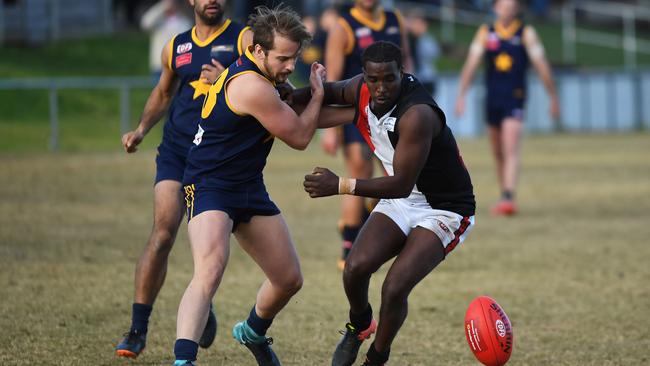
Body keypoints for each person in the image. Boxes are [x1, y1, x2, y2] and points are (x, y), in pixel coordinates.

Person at [298, 41, 476, 366]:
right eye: (373, 80)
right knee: (355, 268)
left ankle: (376, 358)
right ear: (364, 75)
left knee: (394, 287)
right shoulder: (361, 88)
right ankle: (361, 323)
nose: (380, 88)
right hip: (404, 198)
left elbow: (400, 183)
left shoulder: (417, 114)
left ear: (403, 72)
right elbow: (320, 93)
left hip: (445, 208)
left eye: (389, 79)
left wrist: (339, 184)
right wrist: (273, 94)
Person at [173, 6, 324, 366]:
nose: (290, 66)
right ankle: (183, 361)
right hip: (208, 183)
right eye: (283, 58)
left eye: (295, 58)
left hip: (247, 186)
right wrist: (318, 93)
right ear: (258, 51)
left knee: (288, 278)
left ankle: (252, 331)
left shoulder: (263, 78)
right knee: (210, 268)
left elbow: (294, 113)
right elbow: (301, 135)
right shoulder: (252, 86)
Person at [116, 0, 253, 359]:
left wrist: (225, 76)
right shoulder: (176, 46)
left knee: (205, 250)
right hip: (177, 151)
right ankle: (136, 330)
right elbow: (163, 93)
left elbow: (264, 81)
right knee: (163, 231)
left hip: (216, 156)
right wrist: (142, 129)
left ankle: (201, 302)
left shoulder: (243, 38)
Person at [320, 0, 413, 270]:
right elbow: (332, 81)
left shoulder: (395, 19)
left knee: (393, 176)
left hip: (395, 115)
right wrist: (330, 131)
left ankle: (371, 217)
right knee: (358, 169)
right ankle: (349, 242)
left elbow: (407, 63)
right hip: (358, 114)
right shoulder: (343, 27)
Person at [455, 0, 559, 215]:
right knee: (498, 151)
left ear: (517, 9)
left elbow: (541, 65)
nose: (507, 10)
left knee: (510, 146)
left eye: (512, 6)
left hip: (515, 98)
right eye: (503, 6)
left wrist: (553, 96)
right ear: (495, 8)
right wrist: (462, 95)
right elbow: (471, 64)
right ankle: (505, 193)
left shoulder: (526, 33)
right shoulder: (486, 32)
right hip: (492, 99)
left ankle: (509, 196)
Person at [141, 0, 192, 83]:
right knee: (159, 95)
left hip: (178, 67)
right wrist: (162, 7)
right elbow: (145, 23)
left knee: (177, 95)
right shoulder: (158, 21)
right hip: (159, 68)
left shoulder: (184, 23)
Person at [406, 11, 440, 96]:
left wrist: (421, 36)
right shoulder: (408, 39)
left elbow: (433, 54)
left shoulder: (427, 39)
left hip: (426, 79)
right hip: (413, 79)